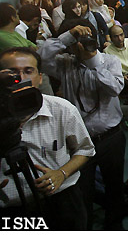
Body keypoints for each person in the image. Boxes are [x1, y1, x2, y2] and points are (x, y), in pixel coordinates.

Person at [38, 19, 125, 229]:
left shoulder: (109, 61)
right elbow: (41, 56)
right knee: (83, 189)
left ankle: (115, 226)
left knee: (115, 186)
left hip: (111, 136)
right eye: (80, 38)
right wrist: (69, 35)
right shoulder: (66, 63)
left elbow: (114, 89)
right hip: (79, 143)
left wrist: (92, 60)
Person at [0, 47, 95, 230]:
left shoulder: (61, 109)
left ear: (40, 77)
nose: (20, 78)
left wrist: (61, 173)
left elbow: (85, 149)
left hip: (61, 202)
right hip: (12, 210)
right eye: (12, 73)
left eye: (28, 71)